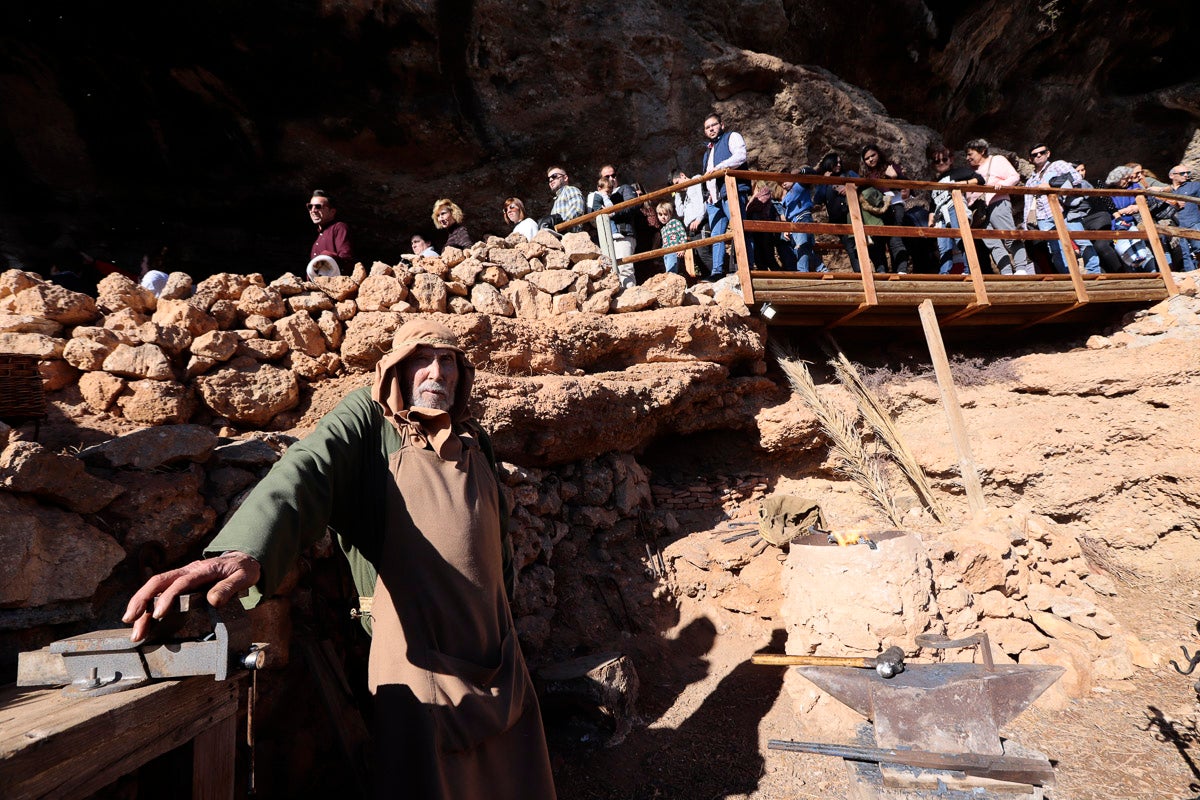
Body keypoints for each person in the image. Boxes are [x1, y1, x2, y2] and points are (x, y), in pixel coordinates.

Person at [123, 318, 557, 800]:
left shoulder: (474, 435)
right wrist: (248, 549)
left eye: (448, 360)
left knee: (512, 781)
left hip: (497, 654)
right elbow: (305, 471)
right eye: (421, 359)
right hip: (421, 661)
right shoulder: (368, 421)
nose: (437, 372)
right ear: (394, 367)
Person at [1024, 143, 1100, 274]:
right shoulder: (1030, 181)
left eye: (1041, 152)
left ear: (1048, 153)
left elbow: (1076, 178)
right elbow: (1028, 202)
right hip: (1043, 216)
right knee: (1055, 249)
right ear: (1030, 159)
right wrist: (1026, 223)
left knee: (1082, 241)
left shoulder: (1057, 165)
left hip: (1064, 211)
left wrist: (1051, 184)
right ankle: (1069, 277)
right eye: (1034, 155)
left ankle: (1094, 272)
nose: (1038, 156)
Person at [964, 139, 1032, 275]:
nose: (967, 158)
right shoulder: (971, 171)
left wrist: (1003, 186)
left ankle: (1021, 268)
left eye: (970, 154)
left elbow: (1014, 176)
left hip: (997, 202)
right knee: (993, 243)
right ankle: (1006, 271)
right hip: (980, 211)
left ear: (982, 151)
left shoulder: (996, 160)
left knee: (1009, 236)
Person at [699, 112, 750, 280]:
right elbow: (708, 174)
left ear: (722, 125)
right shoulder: (708, 151)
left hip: (731, 192)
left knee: (739, 229)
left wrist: (721, 167)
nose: (711, 129)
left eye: (713, 125)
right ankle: (717, 271)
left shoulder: (732, 137)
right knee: (717, 236)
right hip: (714, 199)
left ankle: (746, 267)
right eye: (707, 127)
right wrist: (707, 195)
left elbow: (741, 156)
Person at [860, 144, 911, 273]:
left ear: (879, 154)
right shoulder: (866, 175)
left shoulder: (890, 167)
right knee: (878, 241)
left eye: (873, 155)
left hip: (894, 205)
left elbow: (907, 186)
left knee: (895, 238)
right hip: (878, 210)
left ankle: (901, 271)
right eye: (867, 158)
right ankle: (883, 272)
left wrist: (894, 177)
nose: (871, 159)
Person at [813, 152, 862, 273]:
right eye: (836, 162)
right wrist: (825, 181)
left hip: (854, 215)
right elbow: (818, 199)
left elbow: (863, 184)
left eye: (840, 162)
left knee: (859, 244)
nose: (839, 165)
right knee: (850, 246)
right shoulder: (825, 181)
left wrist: (851, 188)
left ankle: (864, 272)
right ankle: (860, 273)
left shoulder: (849, 174)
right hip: (839, 220)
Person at [671, 167, 713, 276]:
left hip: (701, 223)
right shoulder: (686, 194)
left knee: (704, 253)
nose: (678, 187)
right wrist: (677, 194)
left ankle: (717, 278)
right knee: (698, 256)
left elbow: (702, 200)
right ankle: (708, 278)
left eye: (677, 183)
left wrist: (699, 219)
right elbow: (680, 213)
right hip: (692, 226)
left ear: (682, 175)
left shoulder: (695, 181)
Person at [780, 169, 824, 272]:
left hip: (802, 218)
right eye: (781, 182)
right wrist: (787, 228)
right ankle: (822, 269)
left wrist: (801, 171)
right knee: (805, 248)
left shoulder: (799, 185)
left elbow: (812, 174)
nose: (783, 184)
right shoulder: (786, 196)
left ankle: (802, 272)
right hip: (794, 222)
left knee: (801, 247)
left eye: (785, 180)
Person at [308, 190, 353, 278]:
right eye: (310, 206)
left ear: (332, 212)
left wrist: (327, 257)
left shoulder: (339, 228)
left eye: (318, 206)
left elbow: (346, 259)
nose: (313, 210)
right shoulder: (318, 235)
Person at [1168, 164, 1200, 271]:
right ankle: (1190, 278)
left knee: (1199, 249)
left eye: (1188, 173)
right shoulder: (1167, 190)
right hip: (1176, 227)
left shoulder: (1194, 186)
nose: (1186, 175)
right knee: (1184, 254)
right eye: (1182, 173)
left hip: (1193, 223)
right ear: (1172, 176)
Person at [545, 165, 584, 230]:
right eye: (548, 179)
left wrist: (560, 224)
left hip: (572, 236)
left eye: (554, 176)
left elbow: (577, 209)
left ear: (565, 178)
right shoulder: (556, 200)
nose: (551, 179)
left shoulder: (570, 190)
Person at [656, 201, 688, 275]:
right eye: (660, 215)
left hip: (674, 251)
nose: (663, 217)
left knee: (671, 272)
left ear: (670, 214)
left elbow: (682, 235)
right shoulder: (662, 229)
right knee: (668, 270)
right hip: (666, 253)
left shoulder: (675, 222)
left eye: (665, 214)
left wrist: (682, 248)